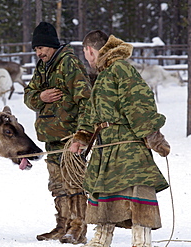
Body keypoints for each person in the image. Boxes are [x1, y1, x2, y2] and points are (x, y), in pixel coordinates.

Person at [69, 30, 170, 247]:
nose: (86, 58)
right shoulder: (104, 74)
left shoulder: (121, 69)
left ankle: (141, 241)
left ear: (89, 50)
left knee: (137, 188)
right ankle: (101, 240)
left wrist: (153, 136)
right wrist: (82, 137)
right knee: (103, 188)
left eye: (85, 54)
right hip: (106, 145)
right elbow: (92, 112)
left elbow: (138, 103)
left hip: (127, 143)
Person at [24, 21, 91, 244]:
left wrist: (81, 136)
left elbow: (86, 100)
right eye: (35, 49)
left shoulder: (69, 64)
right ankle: (62, 226)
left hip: (70, 137)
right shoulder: (42, 67)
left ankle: (77, 228)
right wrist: (40, 97)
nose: (38, 52)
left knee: (74, 184)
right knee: (57, 185)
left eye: (41, 47)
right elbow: (28, 96)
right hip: (51, 137)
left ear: (52, 45)